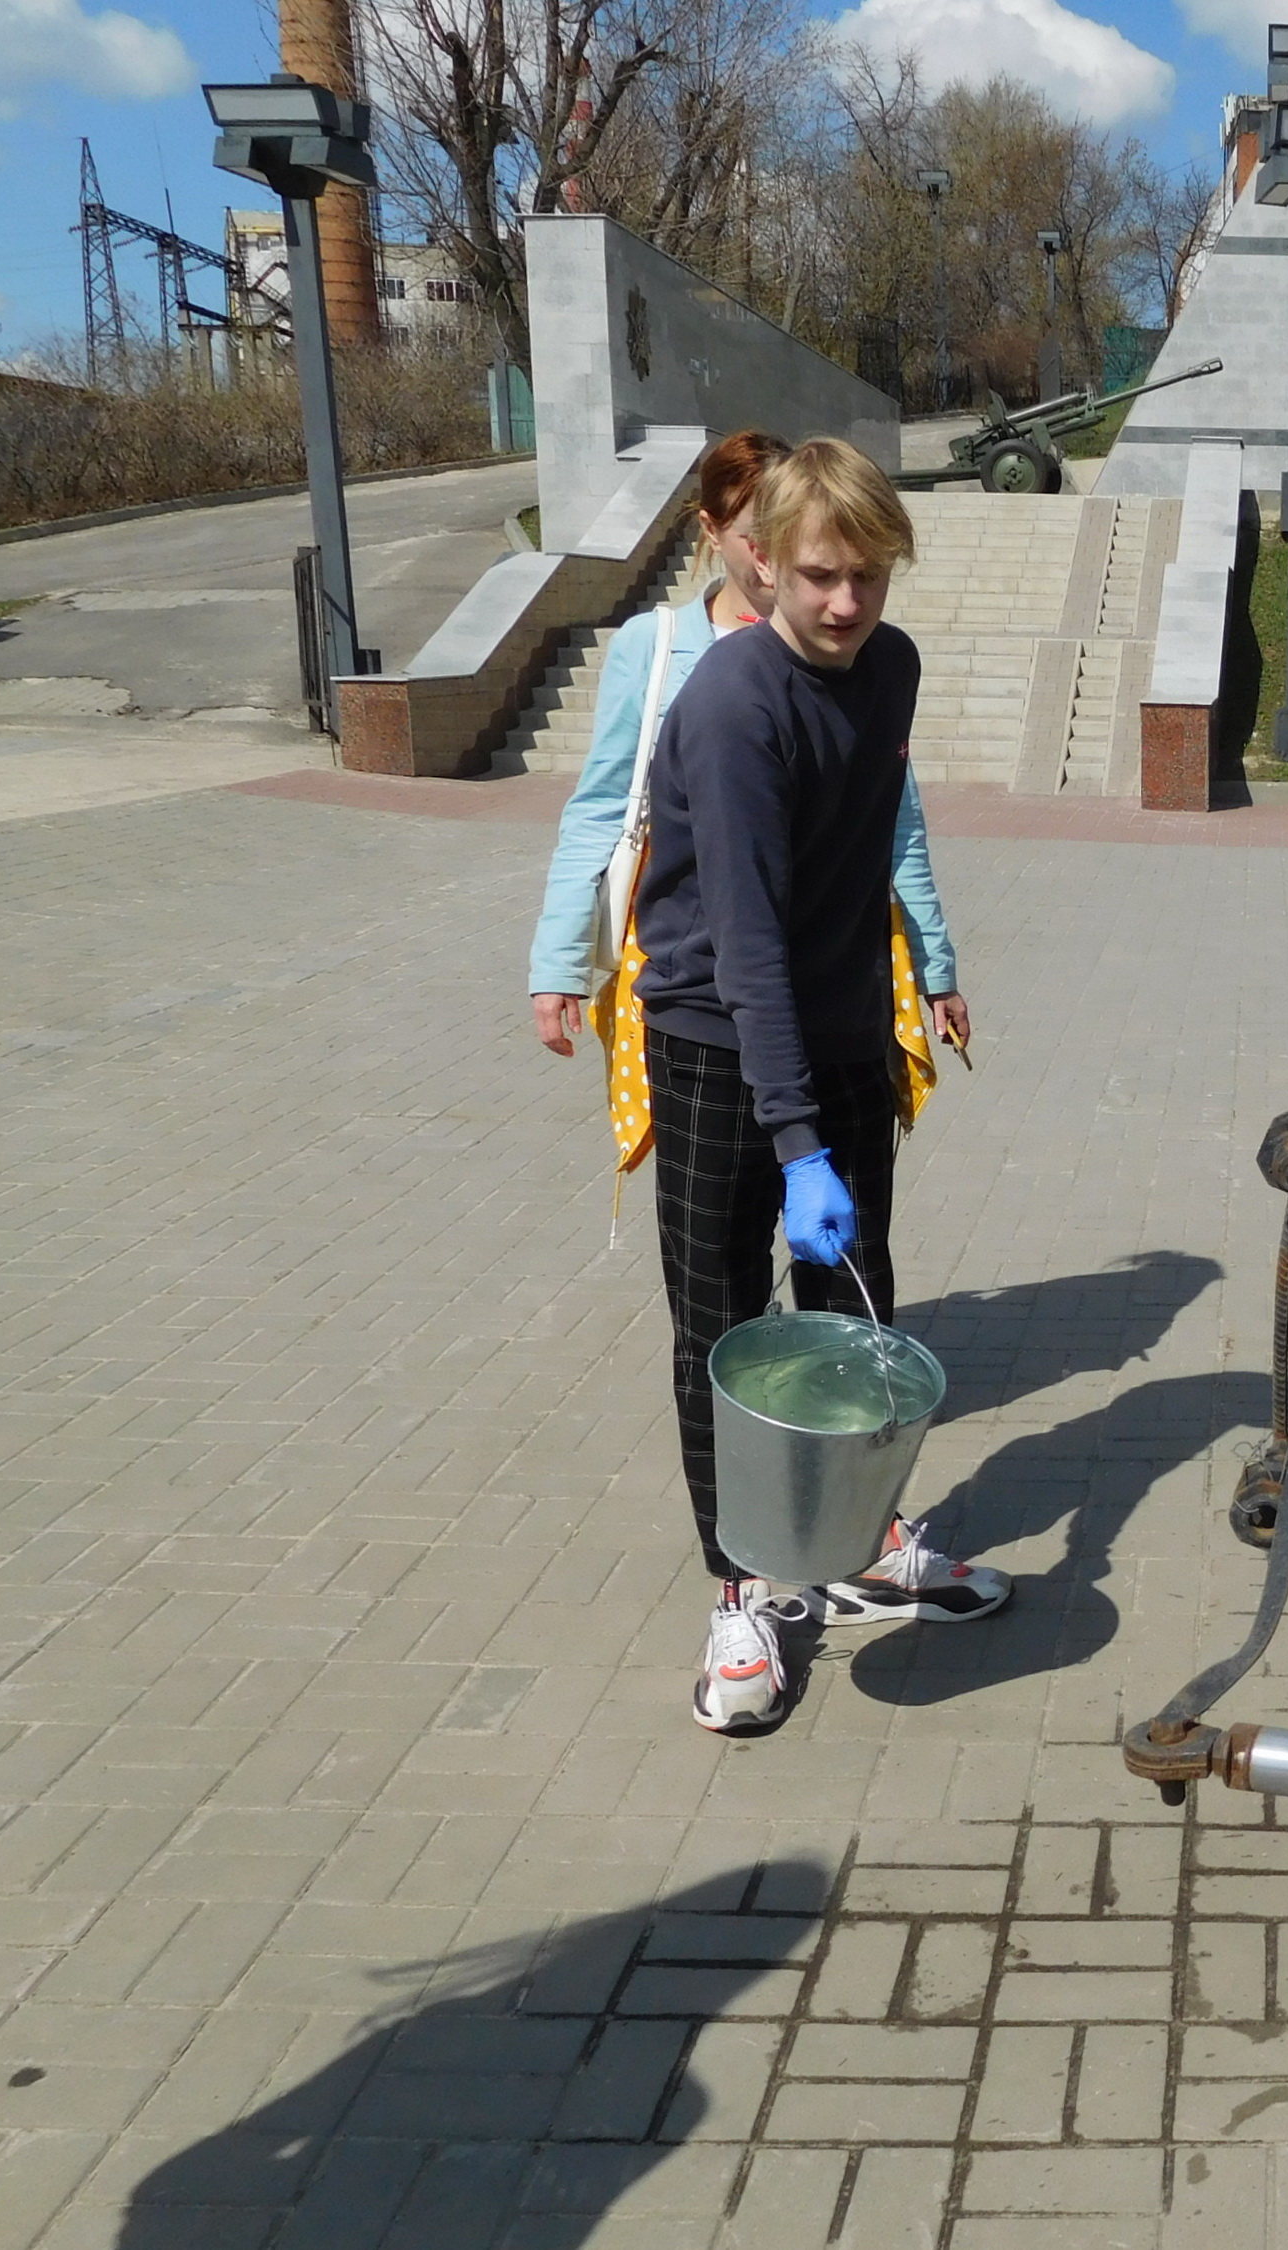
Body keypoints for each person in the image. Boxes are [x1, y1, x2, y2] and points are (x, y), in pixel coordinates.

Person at [628, 439, 1012, 1735]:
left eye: (868, 576)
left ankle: (855, 1538)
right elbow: (743, 940)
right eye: (819, 577)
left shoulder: (888, 668)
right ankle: (742, 1587)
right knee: (725, 1327)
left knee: (856, 1311)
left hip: (839, 1039)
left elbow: (864, 869)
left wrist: (888, 1026)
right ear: (764, 563)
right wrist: (794, 1141)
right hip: (710, 1040)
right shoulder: (737, 706)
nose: (847, 605)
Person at [527, 428, 970, 1060]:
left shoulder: (857, 653)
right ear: (714, 532)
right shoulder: (655, 649)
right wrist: (559, 961)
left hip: (830, 981)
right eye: (760, 534)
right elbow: (600, 804)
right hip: (696, 982)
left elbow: (894, 816)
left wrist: (934, 965)